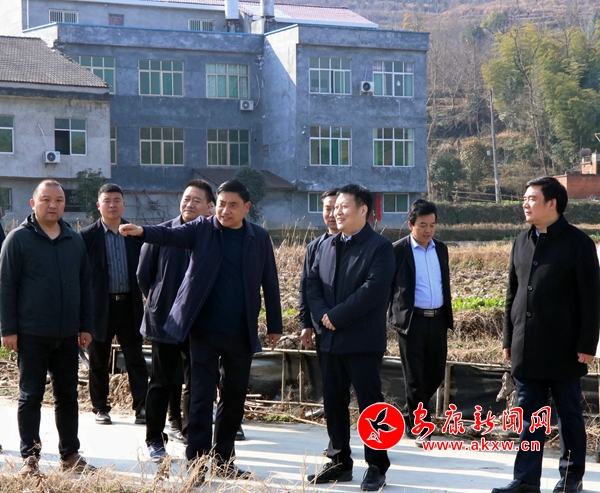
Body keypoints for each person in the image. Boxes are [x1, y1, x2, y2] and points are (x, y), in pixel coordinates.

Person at [119, 179, 282, 483]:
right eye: (221, 204)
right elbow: (169, 235)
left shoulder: (258, 237)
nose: (225, 210)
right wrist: (142, 231)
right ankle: (197, 463)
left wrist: (275, 325)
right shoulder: (203, 229)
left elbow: (269, 281)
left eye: (232, 205)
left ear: (246, 208)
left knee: (233, 397)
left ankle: (224, 460)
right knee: (200, 398)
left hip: (240, 332)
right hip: (203, 330)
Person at [491, 177, 600, 493]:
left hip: (565, 349)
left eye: (531, 198)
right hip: (527, 347)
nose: (525, 204)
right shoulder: (521, 242)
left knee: (569, 416)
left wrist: (587, 344)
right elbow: (512, 294)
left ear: (552, 204)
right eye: (524, 198)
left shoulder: (578, 243)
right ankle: (526, 480)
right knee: (528, 418)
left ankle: (570, 478)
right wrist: (509, 339)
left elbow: (591, 299)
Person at [0, 180, 95, 475]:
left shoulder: (74, 240)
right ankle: (30, 458)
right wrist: (8, 329)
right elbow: (5, 286)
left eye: (59, 200)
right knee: (31, 396)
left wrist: (86, 326)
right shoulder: (17, 239)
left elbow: (85, 285)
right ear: (33, 203)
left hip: (67, 335)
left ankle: (70, 454)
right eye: (46, 199)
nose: (52, 205)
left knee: (68, 396)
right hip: (31, 333)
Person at [306, 184, 395, 491]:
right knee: (333, 402)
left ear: (363, 210)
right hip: (329, 339)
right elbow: (312, 284)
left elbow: (373, 290)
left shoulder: (380, 247)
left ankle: (377, 466)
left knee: (370, 405)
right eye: (335, 207)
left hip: (362, 340)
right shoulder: (327, 245)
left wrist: (337, 316)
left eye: (344, 206)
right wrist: (322, 316)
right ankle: (339, 461)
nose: (337, 212)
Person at [137, 179, 215, 460]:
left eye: (197, 200)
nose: (189, 204)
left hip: (200, 322)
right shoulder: (163, 233)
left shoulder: (212, 236)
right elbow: (144, 275)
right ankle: (154, 439)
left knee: (196, 384)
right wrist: (159, 300)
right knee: (160, 382)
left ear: (209, 207)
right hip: (164, 320)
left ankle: (192, 437)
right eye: (186, 198)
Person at [80, 184, 148, 425]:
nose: (112, 205)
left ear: (123, 205)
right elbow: (80, 276)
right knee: (98, 359)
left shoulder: (134, 234)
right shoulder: (86, 236)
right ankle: (100, 407)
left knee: (135, 358)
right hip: (99, 307)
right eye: (107, 200)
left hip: (129, 305)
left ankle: (142, 407)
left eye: (117, 200)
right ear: (98, 205)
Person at [388, 199, 453, 447]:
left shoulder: (441, 249)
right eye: (423, 225)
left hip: (437, 319)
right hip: (411, 321)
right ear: (411, 225)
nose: (428, 230)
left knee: (435, 372)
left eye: (432, 225)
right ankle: (420, 426)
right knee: (414, 376)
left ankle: (409, 415)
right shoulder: (398, 250)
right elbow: (387, 288)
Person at [299, 188, 338, 353]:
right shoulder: (314, 247)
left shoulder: (363, 247)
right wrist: (306, 324)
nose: (332, 214)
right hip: (321, 325)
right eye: (327, 209)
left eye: (337, 208)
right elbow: (306, 286)